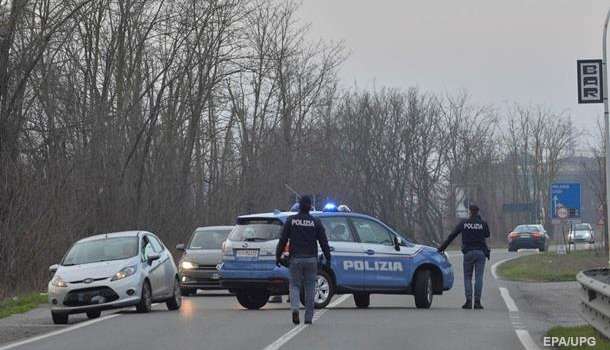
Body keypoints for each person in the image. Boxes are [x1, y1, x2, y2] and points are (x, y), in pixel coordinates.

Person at [276, 195, 331, 325]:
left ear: (299, 205)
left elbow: (283, 240)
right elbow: (324, 242)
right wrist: (328, 258)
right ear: (310, 206)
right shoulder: (315, 222)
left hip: (295, 259)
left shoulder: (291, 220)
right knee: (310, 287)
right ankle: (308, 317)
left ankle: (295, 309)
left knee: (294, 285)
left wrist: (277, 256)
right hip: (311, 259)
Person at [437, 204, 490, 310]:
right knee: (479, 277)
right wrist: (479, 222)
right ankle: (477, 302)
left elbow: (452, 235)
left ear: (469, 211)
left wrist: (442, 248)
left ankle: (469, 301)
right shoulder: (483, 223)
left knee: (467, 277)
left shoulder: (464, 223)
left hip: (468, 253)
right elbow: (487, 234)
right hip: (480, 253)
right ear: (478, 212)